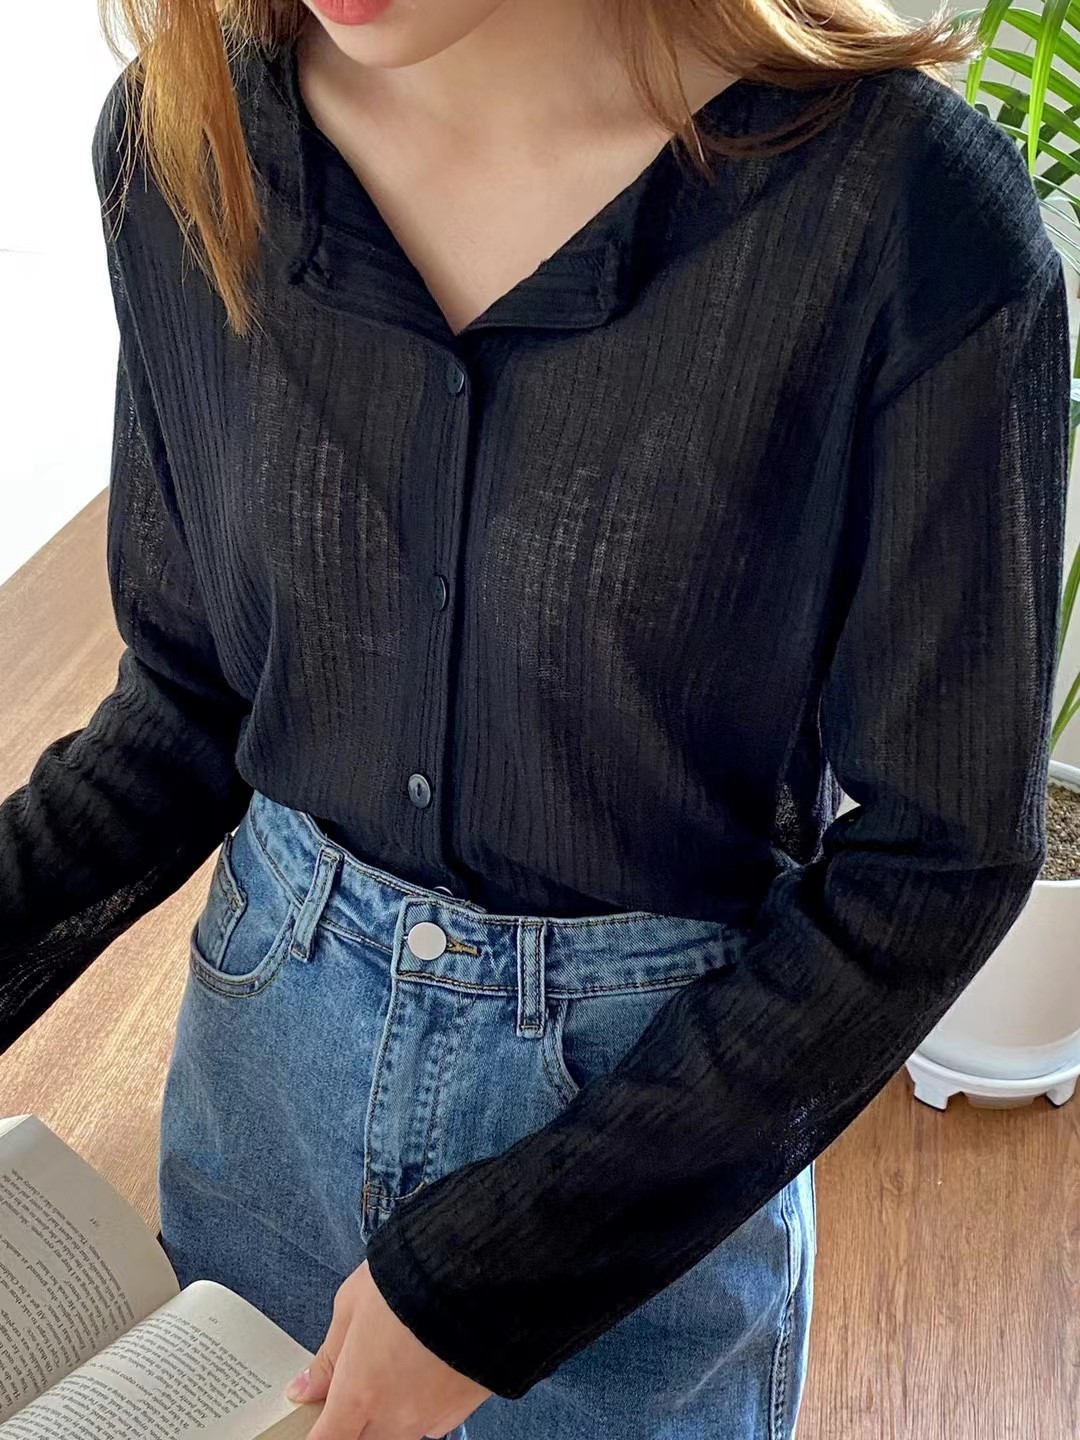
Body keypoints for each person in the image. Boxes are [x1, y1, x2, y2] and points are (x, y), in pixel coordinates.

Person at [0, 0, 1069, 1434]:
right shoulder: (182, 146)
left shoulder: (903, 219)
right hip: (262, 1092)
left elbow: (939, 859)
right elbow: (189, 702)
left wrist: (503, 1281)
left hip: (648, 1143)